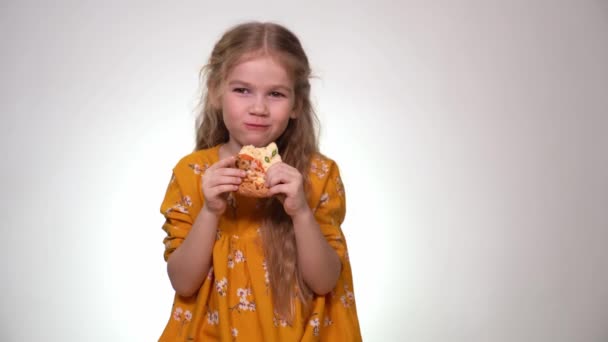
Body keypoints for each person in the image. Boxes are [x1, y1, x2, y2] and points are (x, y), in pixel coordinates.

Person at [158, 21, 361, 341]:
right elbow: (183, 283)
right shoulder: (193, 173)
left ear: (296, 104)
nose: (258, 107)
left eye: (276, 94)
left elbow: (324, 282)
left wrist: (301, 213)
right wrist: (210, 211)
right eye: (242, 90)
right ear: (215, 92)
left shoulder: (319, 175)